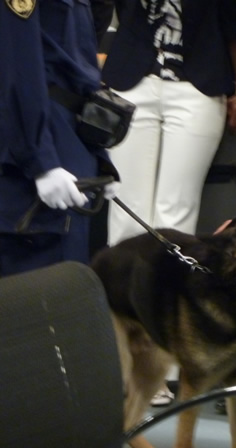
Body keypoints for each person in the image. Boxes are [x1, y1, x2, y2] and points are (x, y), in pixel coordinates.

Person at [101, 0, 236, 246]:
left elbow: (232, 21)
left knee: (176, 211)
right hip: (131, 81)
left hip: (197, 87)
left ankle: (169, 283)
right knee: (126, 207)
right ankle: (124, 284)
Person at [0, 0, 119, 277]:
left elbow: (78, 68)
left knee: (69, 281)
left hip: (71, 140)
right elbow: (17, 68)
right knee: (38, 291)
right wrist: (41, 162)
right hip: (35, 142)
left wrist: (99, 155)